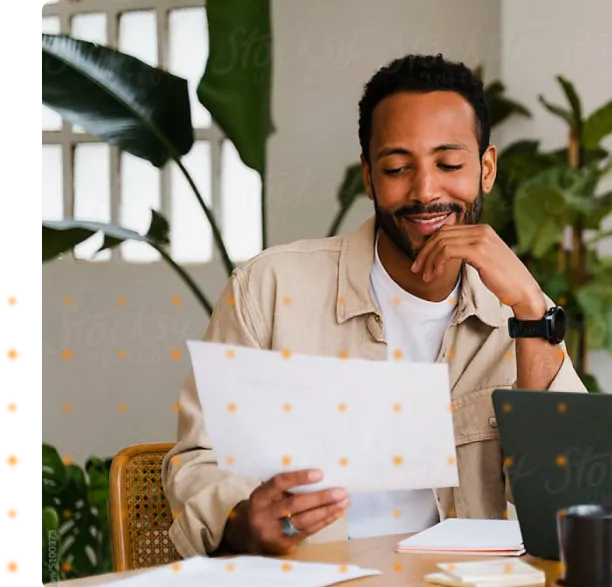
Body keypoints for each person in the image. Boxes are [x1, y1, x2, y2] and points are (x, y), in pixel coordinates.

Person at [163, 54, 586, 557]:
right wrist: (240, 518)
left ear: (486, 168)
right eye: (397, 168)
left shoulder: (516, 312)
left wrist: (532, 311)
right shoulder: (269, 289)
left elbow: (572, 495)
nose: (426, 191)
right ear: (368, 176)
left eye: (449, 165)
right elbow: (195, 461)